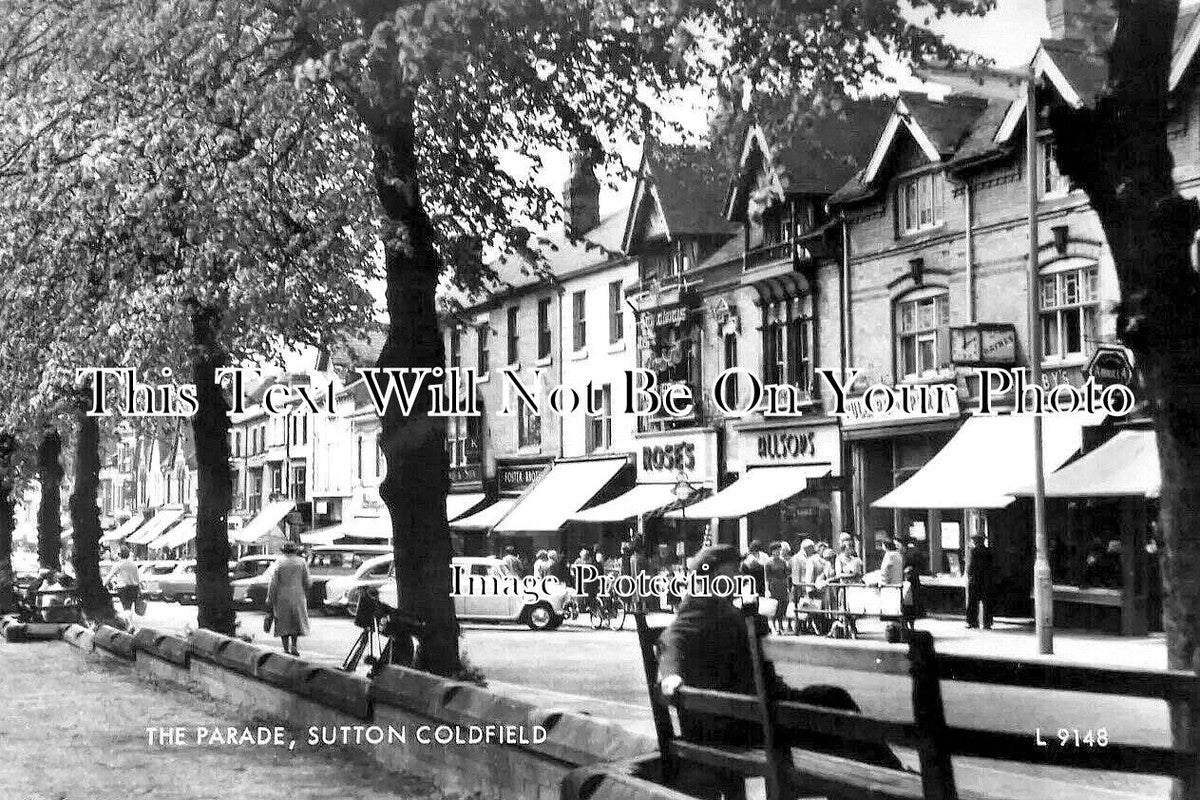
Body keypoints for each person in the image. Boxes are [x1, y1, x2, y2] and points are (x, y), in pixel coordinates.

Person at [656, 544, 903, 799]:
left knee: (833, 701)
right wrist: (671, 677)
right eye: (729, 575)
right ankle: (893, 780)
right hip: (745, 725)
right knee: (836, 712)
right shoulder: (698, 614)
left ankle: (887, 777)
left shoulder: (728, 612)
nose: (736, 580)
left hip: (756, 715)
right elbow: (671, 645)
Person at [267, 541, 311, 656]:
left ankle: (286, 648)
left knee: (283, 622)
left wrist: (270, 598)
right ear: (295, 551)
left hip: (282, 597)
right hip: (298, 596)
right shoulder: (302, 562)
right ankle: (294, 646)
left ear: (284, 551)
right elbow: (308, 582)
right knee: (295, 622)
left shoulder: (279, 562)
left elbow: (273, 583)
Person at [104, 547, 143, 629]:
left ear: (119, 555)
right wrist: (139, 590)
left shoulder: (118, 565)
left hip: (123, 589)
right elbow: (137, 578)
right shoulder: (133, 565)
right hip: (134, 588)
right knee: (129, 607)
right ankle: (130, 624)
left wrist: (103, 584)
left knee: (126, 607)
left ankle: (129, 625)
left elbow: (109, 576)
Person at [965, 532, 994, 630]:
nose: (973, 541)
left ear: (977, 541)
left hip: (975, 580)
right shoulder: (989, 551)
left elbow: (971, 566)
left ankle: (972, 622)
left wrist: (969, 576)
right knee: (987, 603)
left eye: (974, 540)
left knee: (973, 603)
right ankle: (987, 623)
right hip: (987, 580)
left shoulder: (973, 551)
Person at [764, 542, 790, 635]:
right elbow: (766, 577)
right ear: (772, 551)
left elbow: (786, 575)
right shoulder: (768, 562)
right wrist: (767, 590)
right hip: (773, 585)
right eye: (776, 550)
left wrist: (787, 587)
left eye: (779, 550)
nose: (778, 552)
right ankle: (774, 626)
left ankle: (781, 625)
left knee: (783, 605)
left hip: (782, 585)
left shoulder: (783, 561)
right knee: (774, 606)